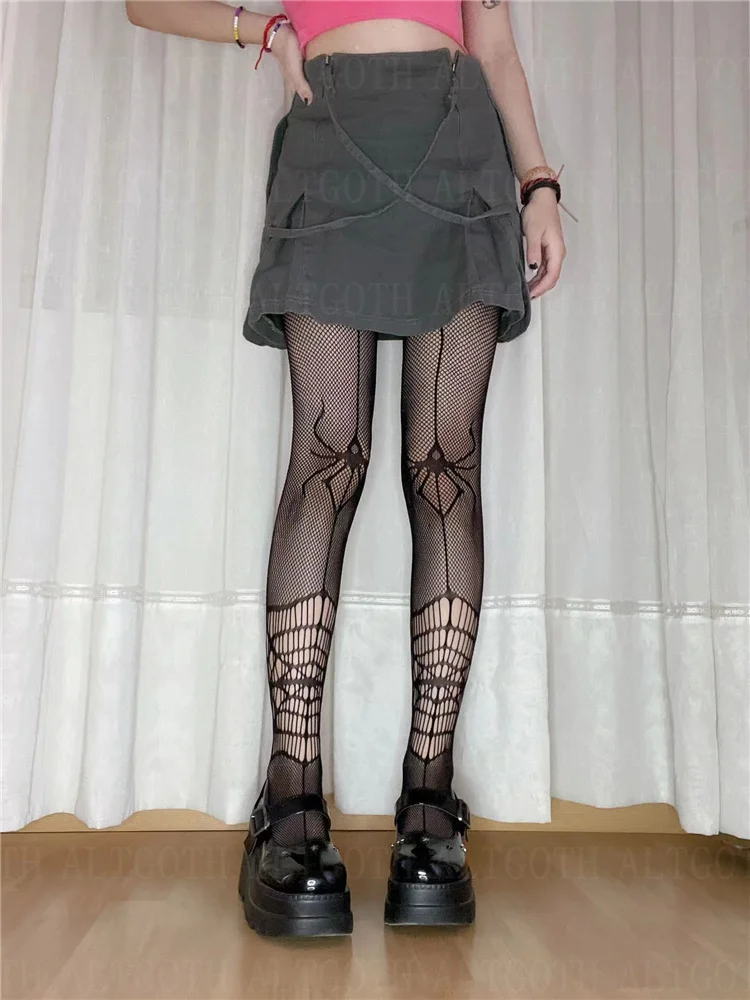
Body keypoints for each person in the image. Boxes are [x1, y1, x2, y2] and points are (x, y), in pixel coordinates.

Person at [125, 0, 566, 937]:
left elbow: (493, 42)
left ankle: (428, 803)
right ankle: (292, 798)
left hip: (458, 148)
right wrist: (264, 30)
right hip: (332, 141)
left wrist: (538, 183)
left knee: (444, 470)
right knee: (327, 466)